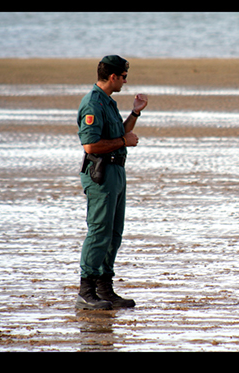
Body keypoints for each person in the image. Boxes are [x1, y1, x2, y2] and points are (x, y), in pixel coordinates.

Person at [75, 55, 148, 310]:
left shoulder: (108, 102)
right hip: (101, 173)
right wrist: (123, 142)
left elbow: (121, 134)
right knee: (99, 232)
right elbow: (90, 144)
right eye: (124, 76)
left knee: (114, 234)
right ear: (113, 76)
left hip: (116, 171)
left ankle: (105, 288)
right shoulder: (93, 103)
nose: (126, 81)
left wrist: (135, 112)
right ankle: (87, 290)